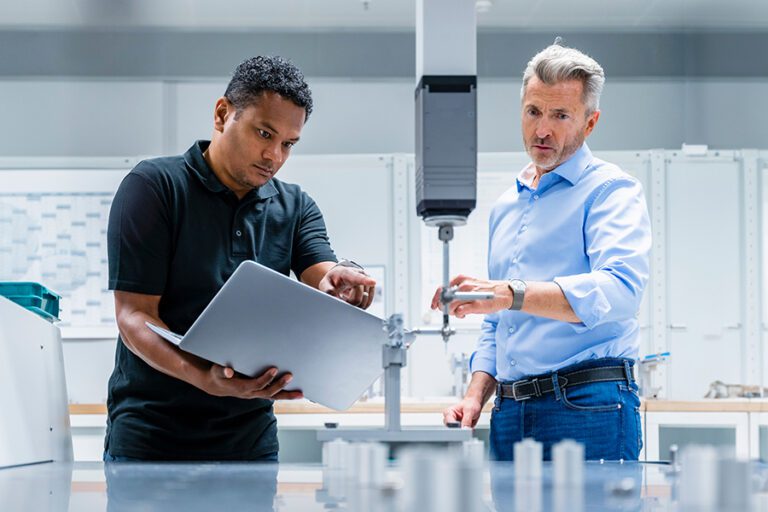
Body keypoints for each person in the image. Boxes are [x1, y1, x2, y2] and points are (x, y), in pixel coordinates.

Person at [105, 56, 375, 462]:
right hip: (151, 436)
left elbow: (321, 273)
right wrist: (202, 378)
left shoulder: (295, 206)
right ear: (222, 114)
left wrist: (342, 280)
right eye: (264, 133)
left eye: (288, 143)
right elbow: (133, 316)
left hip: (249, 443)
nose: (274, 156)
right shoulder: (154, 187)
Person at [435, 44, 651, 461]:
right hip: (511, 411)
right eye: (534, 112)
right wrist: (475, 396)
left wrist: (510, 293)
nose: (542, 131)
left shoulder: (610, 191)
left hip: (587, 405)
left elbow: (621, 291)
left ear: (590, 123)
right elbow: (500, 324)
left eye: (560, 116)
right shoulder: (507, 206)